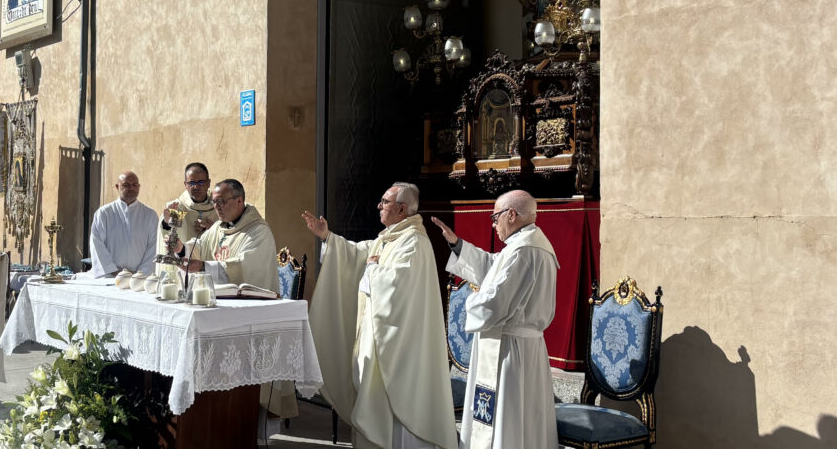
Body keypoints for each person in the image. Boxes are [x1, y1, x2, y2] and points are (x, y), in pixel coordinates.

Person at [303, 182, 457, 449]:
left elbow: (398, 286)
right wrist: (328, 237)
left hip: (400, 346)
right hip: (376, 338)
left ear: (402, 209)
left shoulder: (415, 242)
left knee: (397, 408)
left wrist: (373, 271)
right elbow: (357, 255)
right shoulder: (388, 238)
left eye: (385, 202)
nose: (379, 206)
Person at [430, 190, 559, 448]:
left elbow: (495, 302)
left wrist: (467, 303)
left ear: (511, 215)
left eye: (495, 216)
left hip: (510, 351)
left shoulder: (524, 251)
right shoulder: (529, 245)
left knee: (507, 417)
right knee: (522, 418)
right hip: (523, 349)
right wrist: (458, 245)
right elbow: (492, 267)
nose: (493, 224)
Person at [169, 179, 291, 421]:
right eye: (214, 202)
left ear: (239, 201)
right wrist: (181, 247)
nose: (217, 207)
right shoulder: (219, 227)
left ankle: (244, 420)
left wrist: (203, 266)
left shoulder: (258, 231)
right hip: (222, 308)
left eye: (222, 202)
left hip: (252, 315)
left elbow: (245, 267)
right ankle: (213, 414)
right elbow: (199, 247)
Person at [89, 171, 159, 278]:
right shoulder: (104, 213)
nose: (131, 188)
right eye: (126, 185)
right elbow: (96, 244)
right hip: (110, 277)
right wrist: (114, 271)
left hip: (140, 279)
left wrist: (141, 274)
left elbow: (154, 247)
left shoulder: (150, 215)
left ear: (139, 187)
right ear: (117, 187)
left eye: (135, 185)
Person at [159, 162, 216, 258]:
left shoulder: (218, 206)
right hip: (185, 261)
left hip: (210, 261)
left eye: (201, 182)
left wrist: (213, 229)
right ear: (185, 184)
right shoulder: (179, 207)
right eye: (192, 183)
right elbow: (169, 234)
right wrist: (166, 222)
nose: (196, 187)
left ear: (208, 183)